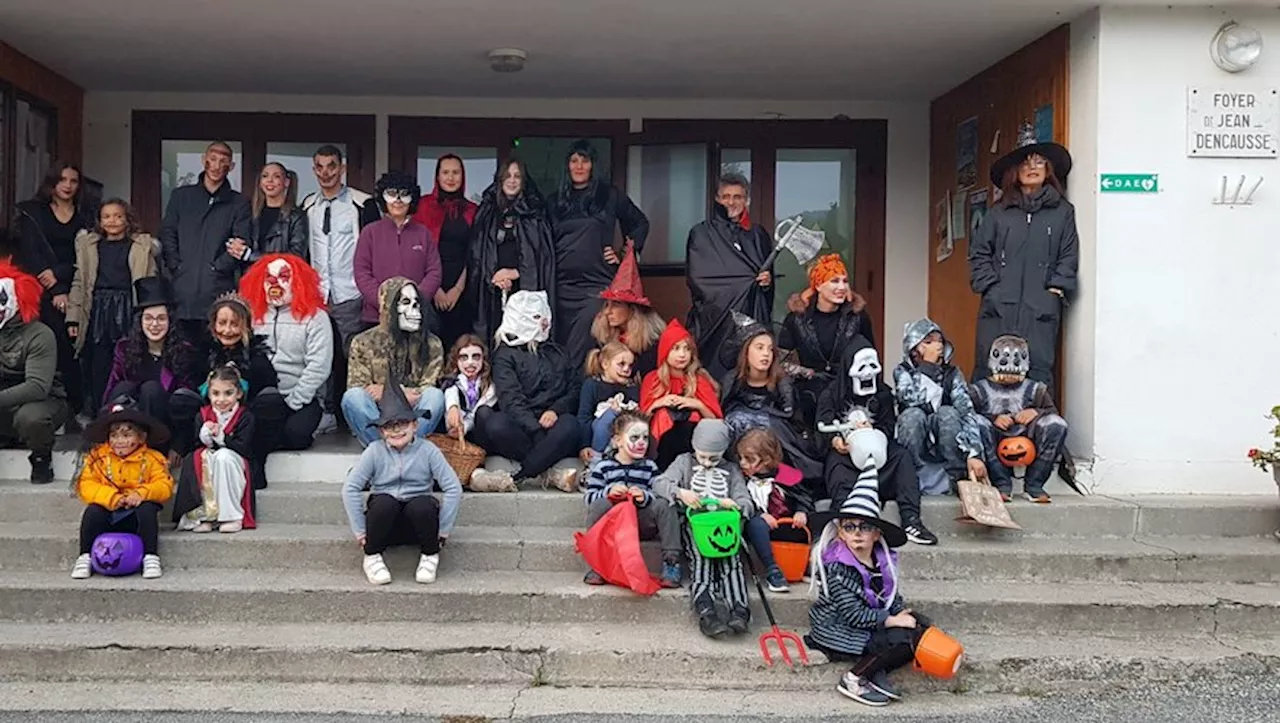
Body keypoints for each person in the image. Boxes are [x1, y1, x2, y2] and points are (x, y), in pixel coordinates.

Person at [806, 445, 933, 708]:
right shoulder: (838, 566)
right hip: (839, 629)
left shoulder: (879, 560)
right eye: (849, 526)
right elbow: (853, 615)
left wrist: (900, 611)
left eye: (865, 527)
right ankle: (855, 678)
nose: (857, 533)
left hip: (867, 621)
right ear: (840, 532)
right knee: (899, 639)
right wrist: (892, 619)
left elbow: (888, 594)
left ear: (877, 534)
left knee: (920, 627)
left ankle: (877, 671)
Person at [969, 121, 1077, 394]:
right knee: (991, 369)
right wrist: (992, 288)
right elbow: (979, 254)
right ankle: (984, 432)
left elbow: (1068, 254)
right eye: (1025, 162)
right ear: (1014, 172)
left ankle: (1038, 431)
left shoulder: (1062, 212)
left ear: (1048, 170)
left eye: (1039, 162)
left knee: (1038, 372)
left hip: (1039, 309)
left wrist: (1053, 291)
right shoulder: (998, 213)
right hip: (999, 308)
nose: (1032, 167)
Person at [343, 374, 463, 586]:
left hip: (419, 524)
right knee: (382, 502)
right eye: (389, 426)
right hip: (384, 525)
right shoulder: (374, 451)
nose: (396, 430)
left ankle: (430, 554)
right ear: (381, 431)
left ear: (415, 425)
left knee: (423, 504)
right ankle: (372, 556)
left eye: (402, 423)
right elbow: (351, 488)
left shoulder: (428, 450)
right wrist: (361, 531)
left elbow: (453, 487)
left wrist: (443, 530)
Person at [818, 339, 937, 546]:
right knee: (836, 464)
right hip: (848, 459)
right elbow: (822, 425)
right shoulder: (832, 394)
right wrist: (836, 439)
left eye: (872, 366)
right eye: (861, 367)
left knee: (901, 457)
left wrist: (874, 432)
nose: (867, 373)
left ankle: (911, 520)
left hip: (878, 457)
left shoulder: (883, 393)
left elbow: (889, 426)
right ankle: (843, 519)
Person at [548, 140, 649, 370]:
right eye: (574, 161)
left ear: (593, 165)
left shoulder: (609, 196)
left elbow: (639, 223)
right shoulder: (554, 201)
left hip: (596, 284)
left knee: (584, 340)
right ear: (567, 166)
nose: (579, 166)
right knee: (558, 342)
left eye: (585, 160)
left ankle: (577, 394)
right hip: (560, 285)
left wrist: (625, 255)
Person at [301, 145, 381, 435]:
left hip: (352, 292)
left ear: (342, 168)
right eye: (320, 167)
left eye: (331, 166)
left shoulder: (363, 204)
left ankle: (357, 417)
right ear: (314, 170)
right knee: (319, 355)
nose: (326, 173)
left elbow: (374, 249)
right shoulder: (308, 205)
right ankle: (325, 412)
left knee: (355, 356)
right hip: (318, 294)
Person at [653, 419, 754, 638]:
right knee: (702, 561)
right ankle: (706, 612)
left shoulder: (731, 470)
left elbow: (745, 500)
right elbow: (659, 483)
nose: (707, 463)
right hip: (695, 525)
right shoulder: (684, 462)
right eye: (703, 457)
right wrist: (681, 493)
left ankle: (739, 609)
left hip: (724, 526)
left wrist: (736, 506)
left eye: (713, 458)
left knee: (732, 562)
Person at [481, 290, 582, 491]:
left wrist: (556, 410)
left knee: (570, 425)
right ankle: (547, 468)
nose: (543, 322)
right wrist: (535, 430)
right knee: (494, 423)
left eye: (544, 315)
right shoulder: (505, 355)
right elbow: (511, 398)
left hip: (554, 424)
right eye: (536, 317)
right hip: (522, 428)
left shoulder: (558, 352)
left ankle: (524, 473)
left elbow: (574, 387)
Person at [12, 162, 90, 421]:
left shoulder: (86, 215)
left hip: (75, 285)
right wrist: (54, 287)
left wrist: (61, 276)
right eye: (63, 180)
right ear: (52, 183)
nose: (68, 185)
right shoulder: (33, 212)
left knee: (73, 346)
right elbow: (29, 251)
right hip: (38, 287)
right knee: (43, 343)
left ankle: (75, 405)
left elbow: (86, 255)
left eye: (73, 181)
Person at [65, 199, 159, 410]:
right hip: (98, 308)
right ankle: (100, 411)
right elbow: (80, 282)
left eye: (118, 216)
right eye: (106, 216)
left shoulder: (141, 247)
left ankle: (128, 409)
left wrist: (148, 313)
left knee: (130, 358)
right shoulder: (89, 247)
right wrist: (73, 317)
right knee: (98, 363)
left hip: (128, 306)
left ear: (128, 220)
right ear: (99, 221)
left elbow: (149, 280)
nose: (112, 221)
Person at [159, 141, 252, 344]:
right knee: (180, 353)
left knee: (214, 353)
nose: (217, 165)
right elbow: (168, 233)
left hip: (217, 291)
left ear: (231, 166)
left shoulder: (239, 203)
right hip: (181, 289)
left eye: (223, 161)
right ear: (204, 160)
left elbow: (240, 243)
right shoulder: (181, 196)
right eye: (212, 159)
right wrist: (176, 265)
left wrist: (216, 268)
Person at [70, 400, 174, 580]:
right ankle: (85, 556)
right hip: (109, 512)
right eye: (114, 436)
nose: (120, 441)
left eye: (126, 435)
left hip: (135, 515)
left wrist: (141, 493)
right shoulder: (98, 459)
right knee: (92, 512)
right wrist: (111, 497)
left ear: (141, 438)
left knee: (148, 509)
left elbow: (164, 485)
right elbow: (86, 484)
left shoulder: (153, 459)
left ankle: (150, 556)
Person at [239, 254, 333, 451]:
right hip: (262, 398)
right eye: (269, 278)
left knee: (295, 436)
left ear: (298, 282)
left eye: (283, 277)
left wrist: (294, 401)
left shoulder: (317, 318)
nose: (275, 284)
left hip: (300, 399)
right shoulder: (251, 315)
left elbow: (319, 366)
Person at [685, 173, 774, 379]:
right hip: (715, 317)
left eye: (738, 197)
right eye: (726, 196)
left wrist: (766, 283)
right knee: (713, 370)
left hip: (751, 312)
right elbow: (698, 278)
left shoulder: (758, 234)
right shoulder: (701, 233)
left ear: (746, 200)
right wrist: (734, 291)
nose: (731, 202)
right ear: (717, 199)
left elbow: (767, 277)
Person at [102, 277, 201, 459]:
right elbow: (112, 391)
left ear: (170, 321)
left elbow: (187, 404)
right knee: (125, 388)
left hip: (165, 428)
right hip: (130, 425)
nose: (154, 325)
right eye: (148, 318)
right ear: (140, 321)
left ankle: (153, 455)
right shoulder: (124, 348)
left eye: (161, 318)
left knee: (152, 390)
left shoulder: (184, 351)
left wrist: (178, 446)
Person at [582, 411, 682, 588]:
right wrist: (608, 493)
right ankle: (598, 563)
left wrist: (645, 497)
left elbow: (657, 492)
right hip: (614, 528)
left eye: (645, 437)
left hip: (642, 524)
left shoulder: (649, 467)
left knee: (665, 504)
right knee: (599, 504)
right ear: (617, 441)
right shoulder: (603, 467)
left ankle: (671, 561)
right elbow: (589, 498)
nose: (641, 442)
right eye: (635, 437)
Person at [344, 277, 446, 446]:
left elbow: (428, 387)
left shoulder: (432, 343)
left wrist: (391, 392)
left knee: (435, 397)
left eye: (417, 303)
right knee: (353, 398)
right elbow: (358, 387)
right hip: (379, 416)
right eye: (405, 302)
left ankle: (408, 449)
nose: (415, 311)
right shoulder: (363, 342)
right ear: (388, 307)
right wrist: (403, 394)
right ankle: (384, 450)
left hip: (412, 417)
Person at [719, 319, 823, 480]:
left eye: (770, 349)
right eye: (759, 348)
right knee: (736, 420)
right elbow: (723, 409)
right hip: (741, 434)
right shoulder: (732, 380)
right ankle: (740, 474)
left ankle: (781, 476)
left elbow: (793, 418)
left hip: (777, 435)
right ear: (746, 352)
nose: (766, 354)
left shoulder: (783, 382)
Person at [970, 335, 1069, 503]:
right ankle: (1001, 483)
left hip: (1027, 438)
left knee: (1056, 424)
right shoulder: (978, 390)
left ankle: (1034, 484)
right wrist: (992, 418)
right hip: (995, 439)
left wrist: (1036, 412)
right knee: (977, 423)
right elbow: (966, 415)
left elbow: (1052, 411)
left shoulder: (1036, 389)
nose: (1010, 377)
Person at [778, 254, 876, 425]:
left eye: (845, 281)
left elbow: (871, 356)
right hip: (810, 392)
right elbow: (781, 361)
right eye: (834, 281)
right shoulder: (796, 319)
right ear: (818, 285)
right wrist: (807, 373)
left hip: (850, 389)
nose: (842, 287)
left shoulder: (858, 317)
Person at [470, 158, 556, 347]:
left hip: (524, 289)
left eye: (517, 176)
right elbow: (477, 253)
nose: (512, 180)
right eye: (507, 176)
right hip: (493, 289)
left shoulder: (534, 213)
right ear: (500, 180)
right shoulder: (487, 210)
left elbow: (541, 256)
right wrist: (494, 277)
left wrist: (515, 273)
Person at [201, 292, 283, 489]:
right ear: (213, 326)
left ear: (246, 327)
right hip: (212, 416)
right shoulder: (202, 355)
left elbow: (269, 389)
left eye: (234, 324)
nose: (227, 330)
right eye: (222, 323)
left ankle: (255, 463)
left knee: (271, 401)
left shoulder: (257, 360)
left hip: (247, 422)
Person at [893, 319, 986, 487]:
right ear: (913, 349)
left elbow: (966, 410)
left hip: (945, 438)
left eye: (940, 341)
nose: (937, 346)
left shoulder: (953, 373)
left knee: (947, 413)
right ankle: (909, 478)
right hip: (918, 437)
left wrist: (975, 453)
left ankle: (956, 478)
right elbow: (909, 399)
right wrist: (927, 367)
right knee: (912, 416)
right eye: (928, 342)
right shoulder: (903, 371)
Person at [0, 261, 68, 483]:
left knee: (32, 418)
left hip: (42, 402)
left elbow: (37, 387)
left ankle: (41, 458)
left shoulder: (40, 334)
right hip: (5, 403)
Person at [173, 364, 256, 533]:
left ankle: (231, 515)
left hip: (234, 462)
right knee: (201, 458)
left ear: (239, 393)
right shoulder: (202, 415)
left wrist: (222, 437)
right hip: (212, 459)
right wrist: (205, 434)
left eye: (228, 393)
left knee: (223, 457)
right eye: (216, 393)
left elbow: (243, 447)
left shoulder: (245, 416)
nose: (221, 399)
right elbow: (196, 443)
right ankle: (205, 516)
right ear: (208, 394)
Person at [354, 171, 441, 329]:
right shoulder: (370, 232)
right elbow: (362, 272)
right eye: (392, 194)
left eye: (404, 194)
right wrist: (384, 301)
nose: (398, 200)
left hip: (415, 316)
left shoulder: (423, 233)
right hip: (376, 318)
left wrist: (416, 299)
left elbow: (434, 271)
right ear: (383, 197)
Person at [737, 429, 813, 594]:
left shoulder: (786, 474)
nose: (743, 463)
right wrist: (759, 513)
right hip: (759, 527)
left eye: (749, 459)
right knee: (754, 523)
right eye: (741, 458)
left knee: (810, 524)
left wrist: (801, 511)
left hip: (786, 524)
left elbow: (804, 496)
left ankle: (806, 565)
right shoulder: (742, 478)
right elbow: (740, 502)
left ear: (766, 460)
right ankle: (772, 570)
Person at [414, 154, 477, 349]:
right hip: (430, 288)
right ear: (437, 177)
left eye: (456, 172)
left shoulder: (473, 210)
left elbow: (475, 253)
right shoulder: (423, 206)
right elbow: (418, 251)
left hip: (463, 289)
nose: (451, 178)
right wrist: (435, 290)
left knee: (460, 345)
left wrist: (457, 289)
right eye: (446, 172)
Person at [640, 319, 722, 470]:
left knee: (694, 416)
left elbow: (716, 424)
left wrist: (697, 404)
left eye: (687, 349)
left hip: (695, 452)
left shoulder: (699, 381)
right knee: (663, 415)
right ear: (665, 351)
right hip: (661, 451)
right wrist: (658, 403)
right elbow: (639, 421)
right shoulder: (652, 380)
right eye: (676, 348)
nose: (682, 354)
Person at [590, 241, 665, 378]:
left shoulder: (652, 345)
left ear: (633, 309)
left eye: (616, 305)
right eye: (607, 305)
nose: (607, 312)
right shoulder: (603, 338)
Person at [577, 341, 639, 461]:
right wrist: (584, 445)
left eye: (630, 365)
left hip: (624, 436)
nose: (627, 369)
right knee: (610, 415)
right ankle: (596, 459)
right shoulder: (592, 384)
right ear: (605, 364)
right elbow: (584, 417)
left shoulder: (631, 387)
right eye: (621, 364)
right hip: (598, 436)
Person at [241, 162, 308, 263]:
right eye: (265, 176)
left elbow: (296, 256)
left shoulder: (296, 216)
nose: (270, 180)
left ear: (286, 182)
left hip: (281, 277)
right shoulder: (251, 213)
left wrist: (251, 256)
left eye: (276, 176)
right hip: (253, 276)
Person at [441, 334, 497, 443]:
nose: (470, 362)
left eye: (476, 357)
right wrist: (453, 407)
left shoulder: (489, 385)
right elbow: (451, 394)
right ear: (456, 361)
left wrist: (465, 427)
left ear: (483, 359)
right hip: (453, 431)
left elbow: (476, 413)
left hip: (476, 431)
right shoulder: (453, 381)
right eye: (464, 357)